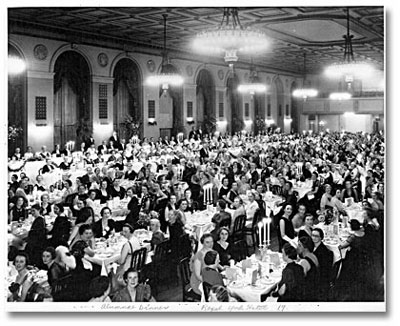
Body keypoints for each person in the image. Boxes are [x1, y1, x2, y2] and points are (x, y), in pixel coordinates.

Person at [311, 228, 333, 301]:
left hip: (319, 278)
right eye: (312, 235)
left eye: (316, 236)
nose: (313, 238)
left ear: (321, 237)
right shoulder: (311, 247)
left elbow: (323, 270)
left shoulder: (323, 251)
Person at [297, 236, 320, 301]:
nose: (297, 247)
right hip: (315, 289)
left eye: (299, 245)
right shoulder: (313, 255)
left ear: (305, 248)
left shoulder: (304, 262)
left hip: (308, 294)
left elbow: (299, 281)